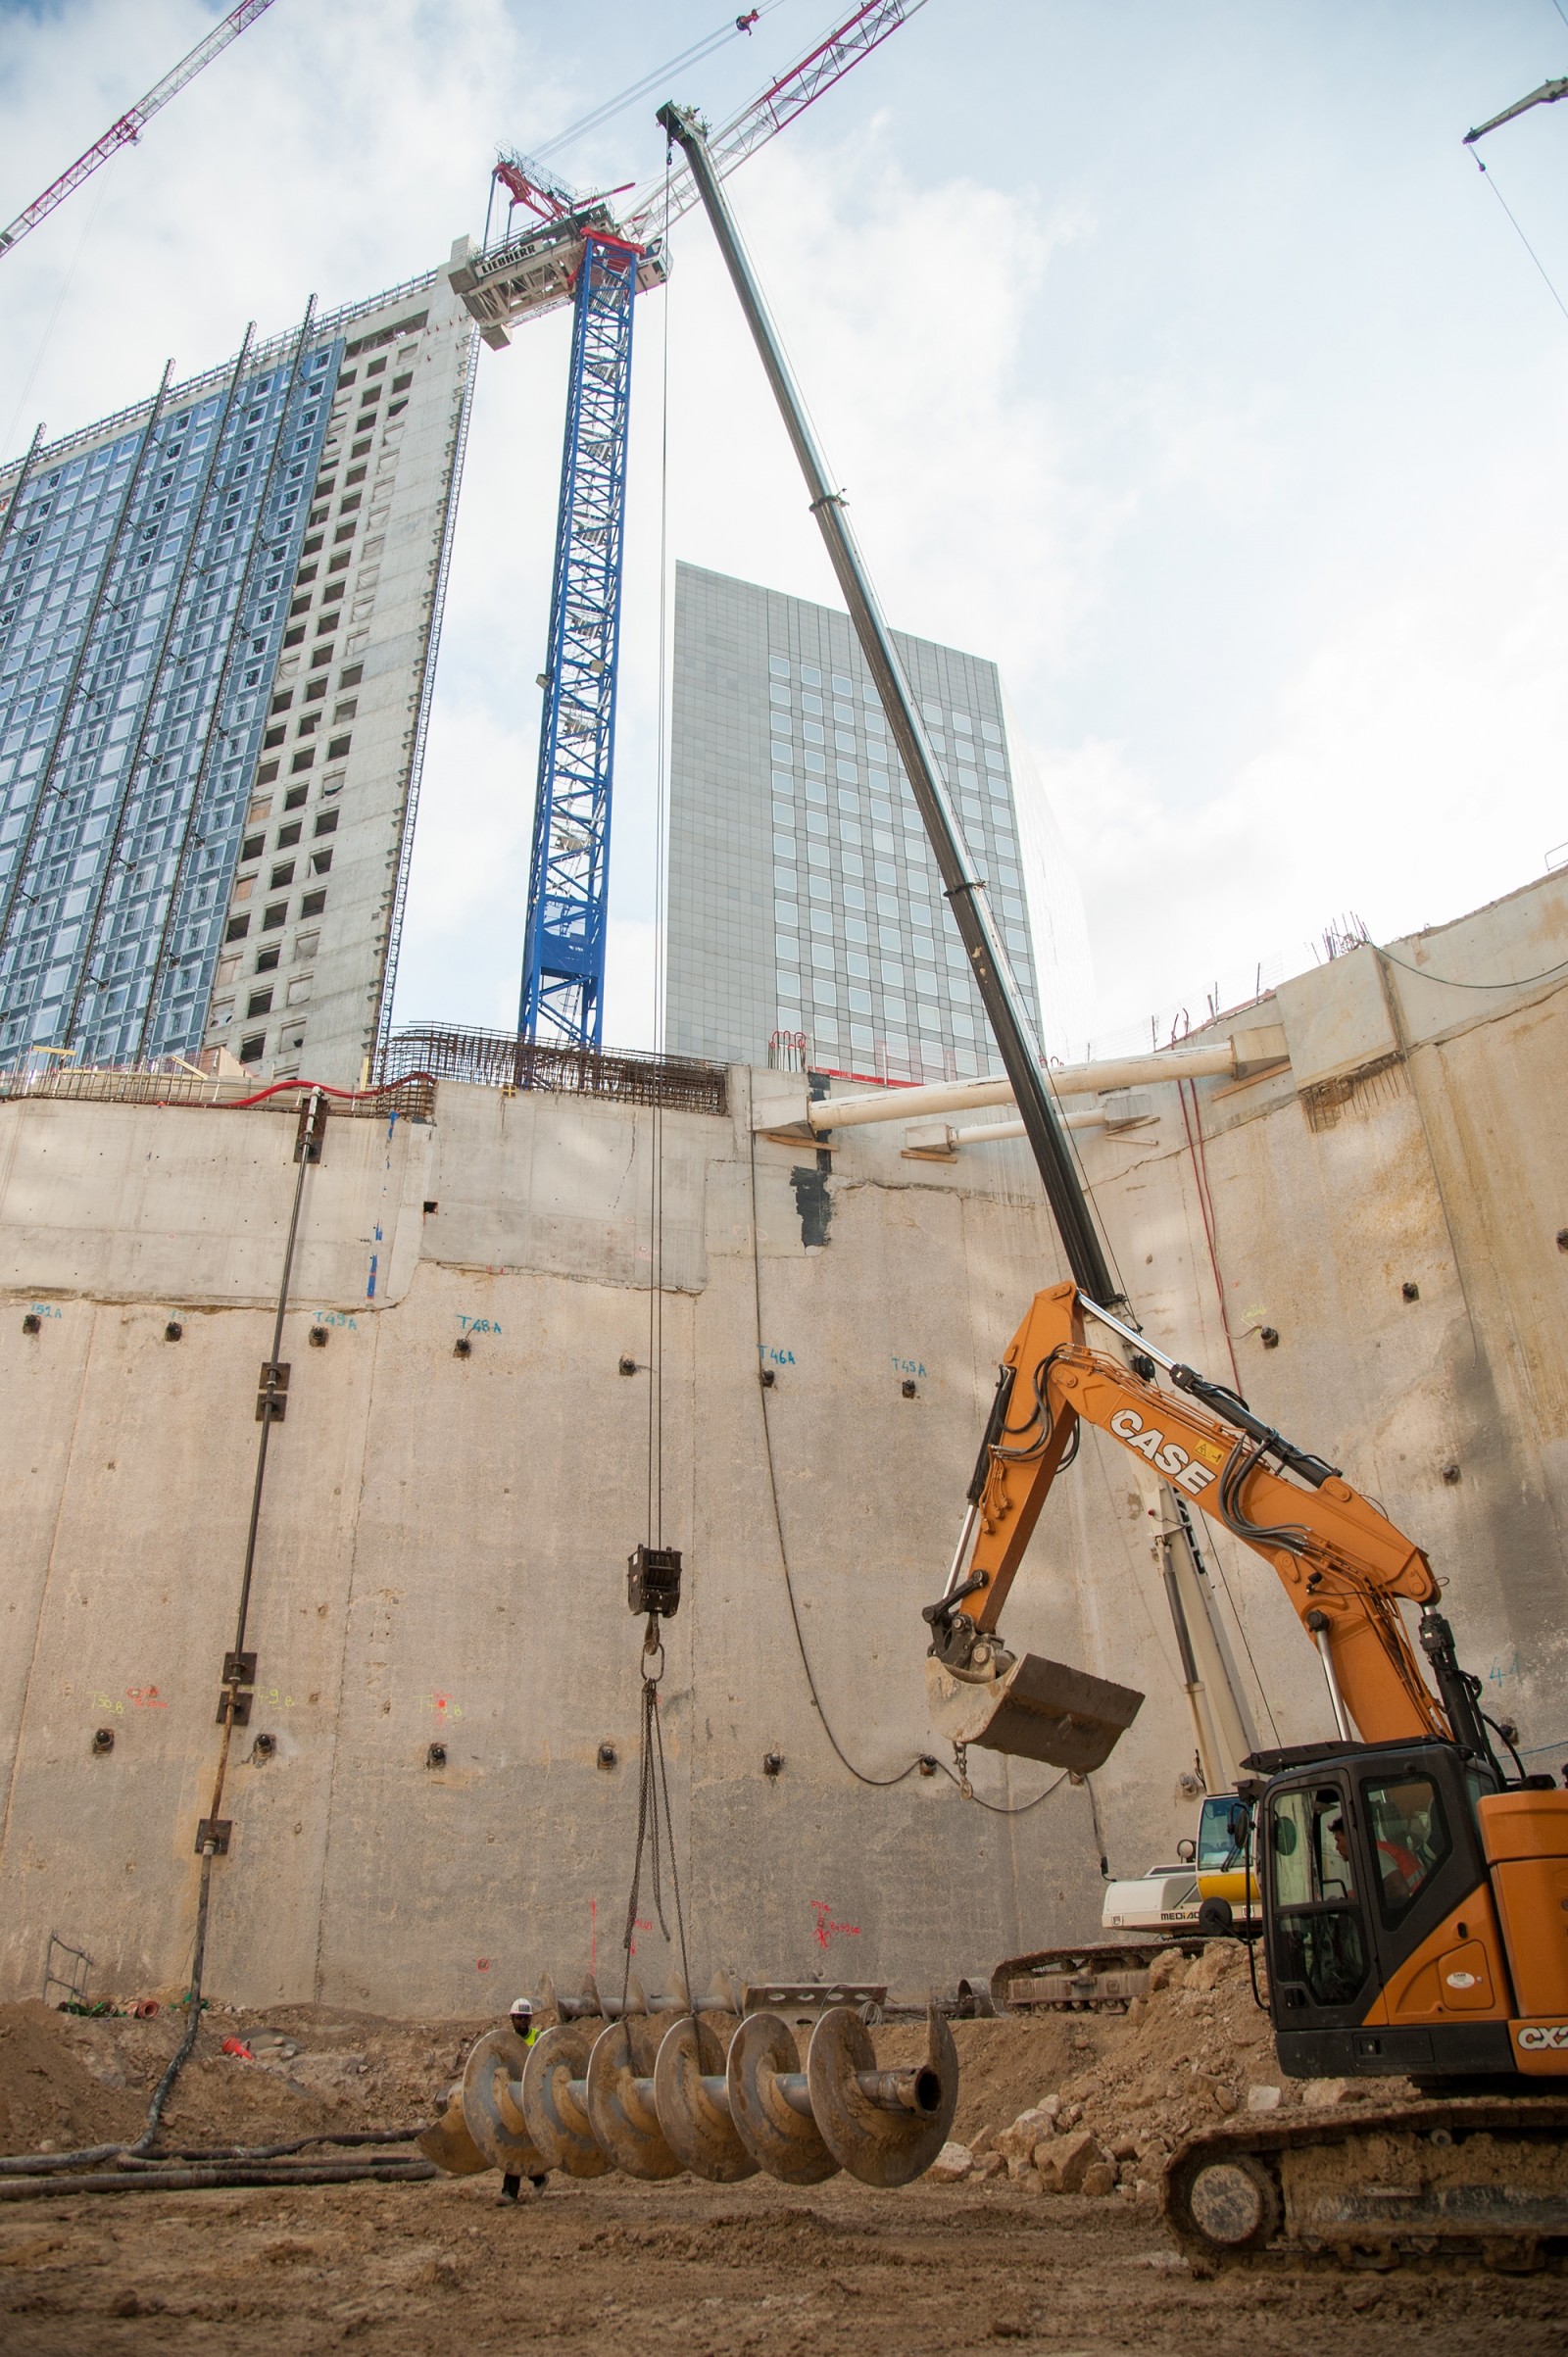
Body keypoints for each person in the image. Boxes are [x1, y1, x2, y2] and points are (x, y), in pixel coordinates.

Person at [499, 1998, 548, 2203]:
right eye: (519, 2018)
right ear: (512, 2019)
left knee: (523, 2145)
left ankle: (517, 2188)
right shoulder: (506, 2042)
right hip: (513, 2101)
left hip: (531, 2100)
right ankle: (518, 2188)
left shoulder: (538, 2038)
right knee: (514, 2144)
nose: (523, 2022)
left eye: (526, 2018)